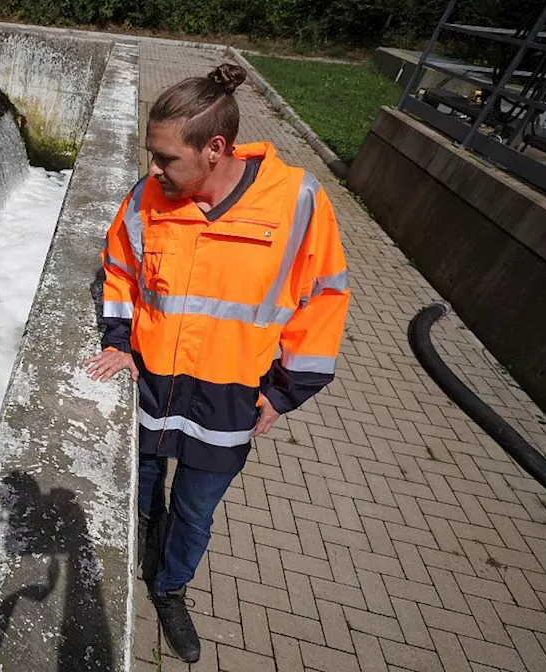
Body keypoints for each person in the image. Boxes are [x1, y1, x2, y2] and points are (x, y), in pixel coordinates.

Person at [83, 63, 350, 663]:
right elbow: (120, 271)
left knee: (196, 509)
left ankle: (170, 590)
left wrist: (284, 393)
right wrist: (116, 342)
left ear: (215, 149)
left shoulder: (298, 202)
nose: (154, 170)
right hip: (150, 384)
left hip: (230, 397)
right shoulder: (148, 198)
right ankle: (142, 548)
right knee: (145, 485)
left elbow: (325, 298)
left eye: (167, 158)